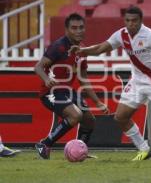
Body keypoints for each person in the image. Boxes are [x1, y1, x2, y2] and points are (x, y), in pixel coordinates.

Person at [70, 6, 151, 161]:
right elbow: (101, 48)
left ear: (141, 21)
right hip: (137, 82)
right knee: (120, 117)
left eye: (134, 21)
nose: (131, 24)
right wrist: (84, 51)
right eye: (128, 20)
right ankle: (144, 149)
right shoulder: (121, 35)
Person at [34, 13, 109, 159]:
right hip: (51, 91)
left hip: (67, 91)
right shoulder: (58, 47)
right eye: (74, 28)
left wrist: (98, 102)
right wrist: (46, 79)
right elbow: (38, 67)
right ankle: (45, 144)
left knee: (89, 121)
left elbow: (83, 79)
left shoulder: (82, 50)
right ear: (66, 30)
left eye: (81, 27)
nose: (78, 31)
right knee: (75, 115)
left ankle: (79, 150)